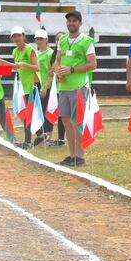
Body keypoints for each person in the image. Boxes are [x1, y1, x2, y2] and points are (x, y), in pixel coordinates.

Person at [53, 10, 96, 167]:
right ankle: (72, 155)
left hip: (79, 86)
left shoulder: (86, 41)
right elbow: (58, 60)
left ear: (80, 23)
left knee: (77, 121)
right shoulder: (63, 39)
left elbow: (93, 64)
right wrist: (58, 71)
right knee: (65, 120)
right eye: (69, 20)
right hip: (63, 86)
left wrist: (71, 70)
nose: (71, 23)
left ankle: (80, 156)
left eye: (74, 21)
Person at [33, 28, 65, 146]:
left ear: (46, 40)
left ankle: (52, 137)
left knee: (51, 111)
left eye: (41, 38)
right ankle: (44, 137)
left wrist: (46, 87)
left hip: (51, 86)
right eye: (37, 38)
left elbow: (50, 72)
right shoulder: (35, 53)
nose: (39, 41)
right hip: (38, 85)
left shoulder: (51, 53)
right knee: (41, 111)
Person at [9, 26, 39, 149]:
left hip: (32, 85)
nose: (17, 38)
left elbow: (37, 67)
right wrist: (2, 65)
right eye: (14, 36)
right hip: (22, 86)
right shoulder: (15, 51)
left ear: (23, 36)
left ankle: (31, 139)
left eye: (19, 35)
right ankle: (34, 137)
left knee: (29, 113)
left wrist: (23, 64)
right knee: (25, 114)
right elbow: (16, 67)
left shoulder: (30, 49)